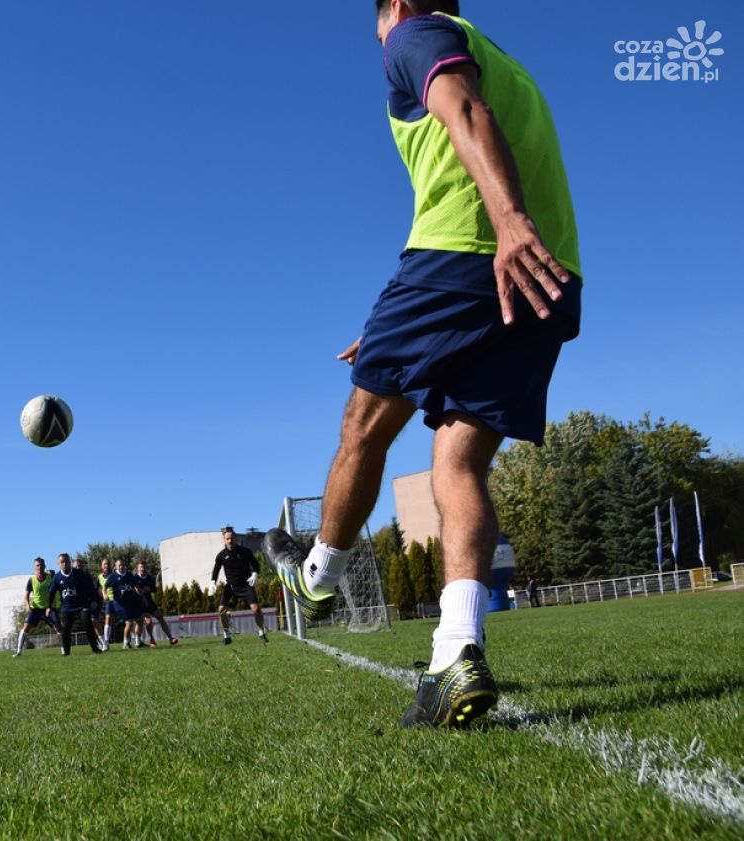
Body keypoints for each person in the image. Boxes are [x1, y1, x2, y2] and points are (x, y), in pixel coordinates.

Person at [265, 0, 581, 729]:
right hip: (547, 278)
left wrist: (507, 222)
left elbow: (463, 109)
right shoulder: (509, 65)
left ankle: (317, 575)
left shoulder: (415, 33)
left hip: (468, 259)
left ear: (396, 7)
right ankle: (455, 653)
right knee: (459, 465)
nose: (379, 41)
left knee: (363, 428)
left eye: (375, 25)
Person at [212, 527, 269, 645]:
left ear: (236, 538)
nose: (230, 541)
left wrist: (255, 574)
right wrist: (213, 582)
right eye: (227, 539)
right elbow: (216, 569)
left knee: (256, 609)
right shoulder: (221, 555)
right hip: (231, 587)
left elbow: (255, 564)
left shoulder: (245, 551)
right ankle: (227, 636)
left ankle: (261, 632)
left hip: (246, 586)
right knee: (221, 610)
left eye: (232, 538)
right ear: (224, 540)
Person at [47, 553, 106, 655]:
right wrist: (49, 607)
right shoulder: (57, 577)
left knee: (88, 624)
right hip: (66, 607)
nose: (64, 564)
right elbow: (51, 593)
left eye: (66, 561)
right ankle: (66, 652)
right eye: (62, 562)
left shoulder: (79, 574)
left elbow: (90, 587)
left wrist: (93, 600)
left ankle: (95, 648)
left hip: (81, 605)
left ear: (70, 562)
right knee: (65, 629)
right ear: (58, 564)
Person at [13, 557, 61, 657]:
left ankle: (64, 650)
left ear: (45, 566)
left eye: (41, 565)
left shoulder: (51, 577)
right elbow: (26, 595)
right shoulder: (31, 580)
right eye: (37, 565)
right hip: (35, 609)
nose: (39, 567)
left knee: (58, 626)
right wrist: (27, 605)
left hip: (49, 608)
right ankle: (18, 651)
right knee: (25, 628)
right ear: (34, 567)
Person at [133, 561, 178, 647]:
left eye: (144, 567)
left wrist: (150, 589)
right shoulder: (134, 578)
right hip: (140, 603)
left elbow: (154, 589)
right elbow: (134, 589)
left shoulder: (150, 578)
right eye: (141, 567)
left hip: (150, 602)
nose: (143, 569)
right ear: (137, 568)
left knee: (161, 618)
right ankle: (149, 639)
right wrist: (141, 592)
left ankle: (171, 638)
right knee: (146, 621)